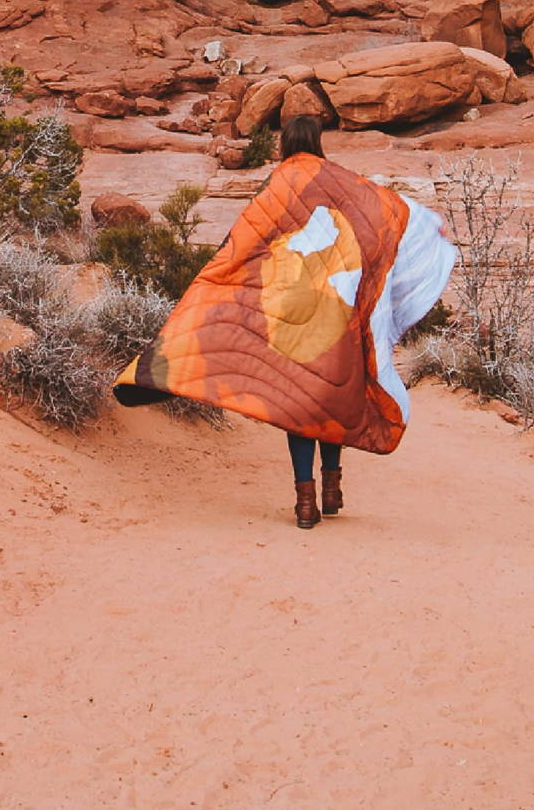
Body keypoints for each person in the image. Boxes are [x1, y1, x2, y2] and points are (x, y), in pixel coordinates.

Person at [113, 109, 456, 529]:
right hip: (336, 308)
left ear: (285, 143)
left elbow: (242, 244)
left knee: (298, 402)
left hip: (285, 310)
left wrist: (214, 285)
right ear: (316, 141)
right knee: (332, 397)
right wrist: (430, 225)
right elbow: (383, 211)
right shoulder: (340, 181)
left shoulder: (277, 184)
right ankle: (332, 489)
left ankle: (305, 503)